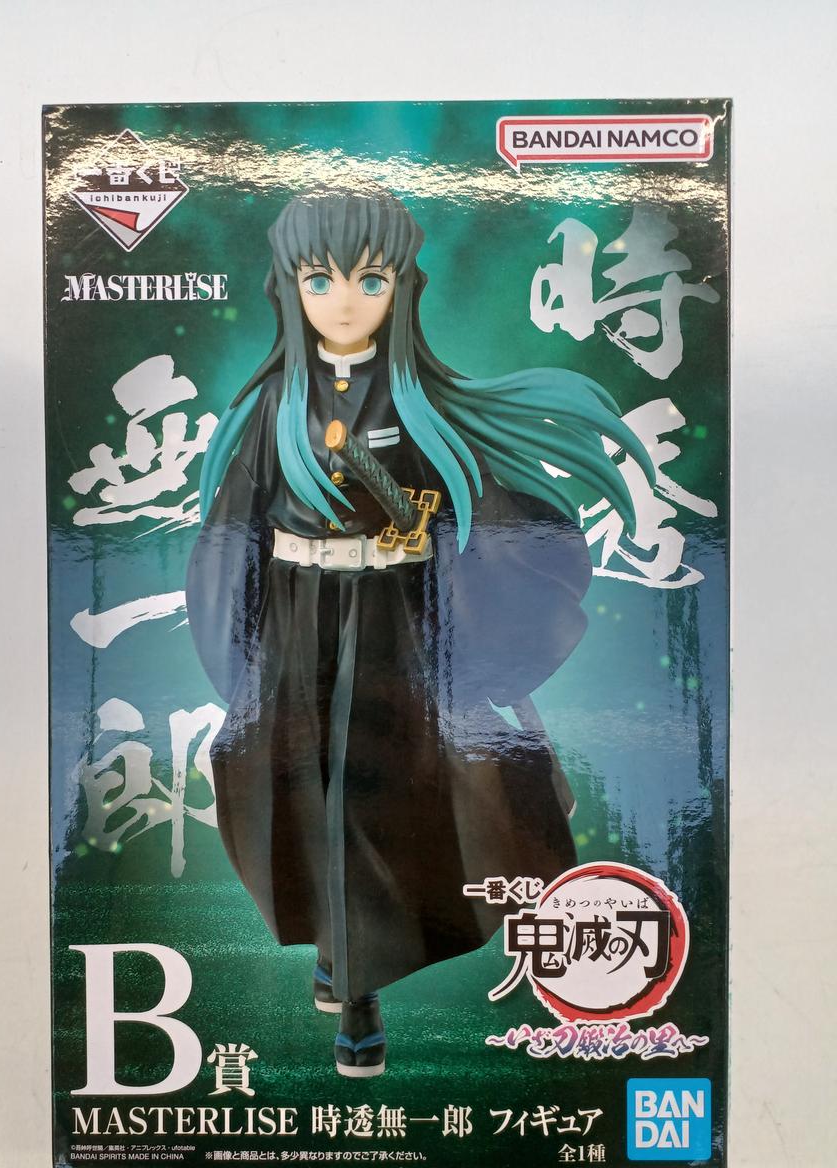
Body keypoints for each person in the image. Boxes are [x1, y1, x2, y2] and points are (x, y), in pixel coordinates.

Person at [186, 187, 653, 1077]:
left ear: (403, 286)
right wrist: (236, 641)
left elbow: (483, 510)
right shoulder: (271, 407)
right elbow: (233, 528)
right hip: (296, 622)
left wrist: (441, 542)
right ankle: (335, 945)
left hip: (395, 626)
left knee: (377, 796)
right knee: (300, 787)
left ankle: (358, 983)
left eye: (370, 279)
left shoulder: (422, 404)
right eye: (321, 280)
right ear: (289, 287)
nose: (345, 301)